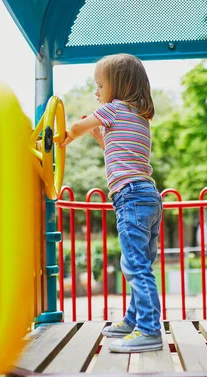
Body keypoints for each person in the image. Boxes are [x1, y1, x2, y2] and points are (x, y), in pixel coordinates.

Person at [57, 53, 163, 353]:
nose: (96, 92)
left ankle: (150, 330)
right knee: (139, 265)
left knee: (135, 267)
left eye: (99, 85)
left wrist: (61, 138)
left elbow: (74, 128)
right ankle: (133, 320)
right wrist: (99, 138)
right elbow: (116, 148)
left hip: (130, 197)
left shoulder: (112, 109)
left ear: (116, 86)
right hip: (148, 197)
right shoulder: (140, 117)